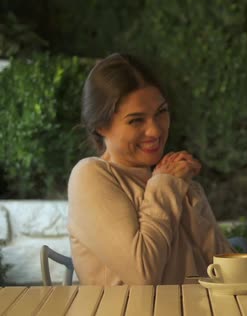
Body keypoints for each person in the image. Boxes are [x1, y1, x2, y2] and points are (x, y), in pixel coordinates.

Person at [67, 53, 233, 285]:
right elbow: (142, 274)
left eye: (161, 113)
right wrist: (166, 184)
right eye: (136, 120)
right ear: (101, 126)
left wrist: (190, 194)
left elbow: (229, 271)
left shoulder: (169, 180)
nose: (155, 131)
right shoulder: (90, 176)